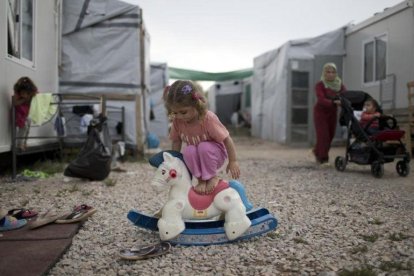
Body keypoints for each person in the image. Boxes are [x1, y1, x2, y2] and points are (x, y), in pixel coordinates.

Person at [163, 80, 240, 194]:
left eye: (183, 112)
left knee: (204, 147)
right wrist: (174, 162)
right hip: (198, 157)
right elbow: (176, 142)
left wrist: (233, 161)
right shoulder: (177, 121)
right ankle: (201, 180)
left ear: (196, 104)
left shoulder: (207, 119)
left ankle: (212, 176)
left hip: (215, 154)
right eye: (175, 113)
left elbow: (227, 139)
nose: (179, 116)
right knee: (188, 150)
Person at [313, 63, 346, 164]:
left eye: (333, 72)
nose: (331, 74)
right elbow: (321, 99)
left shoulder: (340, 85)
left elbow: (345, 95)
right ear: (324, 73)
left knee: (330, 135)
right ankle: (323, 158)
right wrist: (333, 102)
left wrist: (343, 102)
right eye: (328, 72)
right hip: (320, 113)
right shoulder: (320, 85)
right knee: (324, 135)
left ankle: (317, 151)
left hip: (332, 113)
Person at [12, 76, 38, 150]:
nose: (23, 94)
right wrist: (24, 99)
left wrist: (28, 98)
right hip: (19, 114)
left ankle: (24, 143)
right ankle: (19, 144)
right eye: (21, 93)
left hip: (26, 114)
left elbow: (35, 99)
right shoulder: (18, 96)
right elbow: (15, 103)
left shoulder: (31, 95)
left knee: (27, 128)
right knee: (23, 128)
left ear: (29, 93)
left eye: (25, 93)